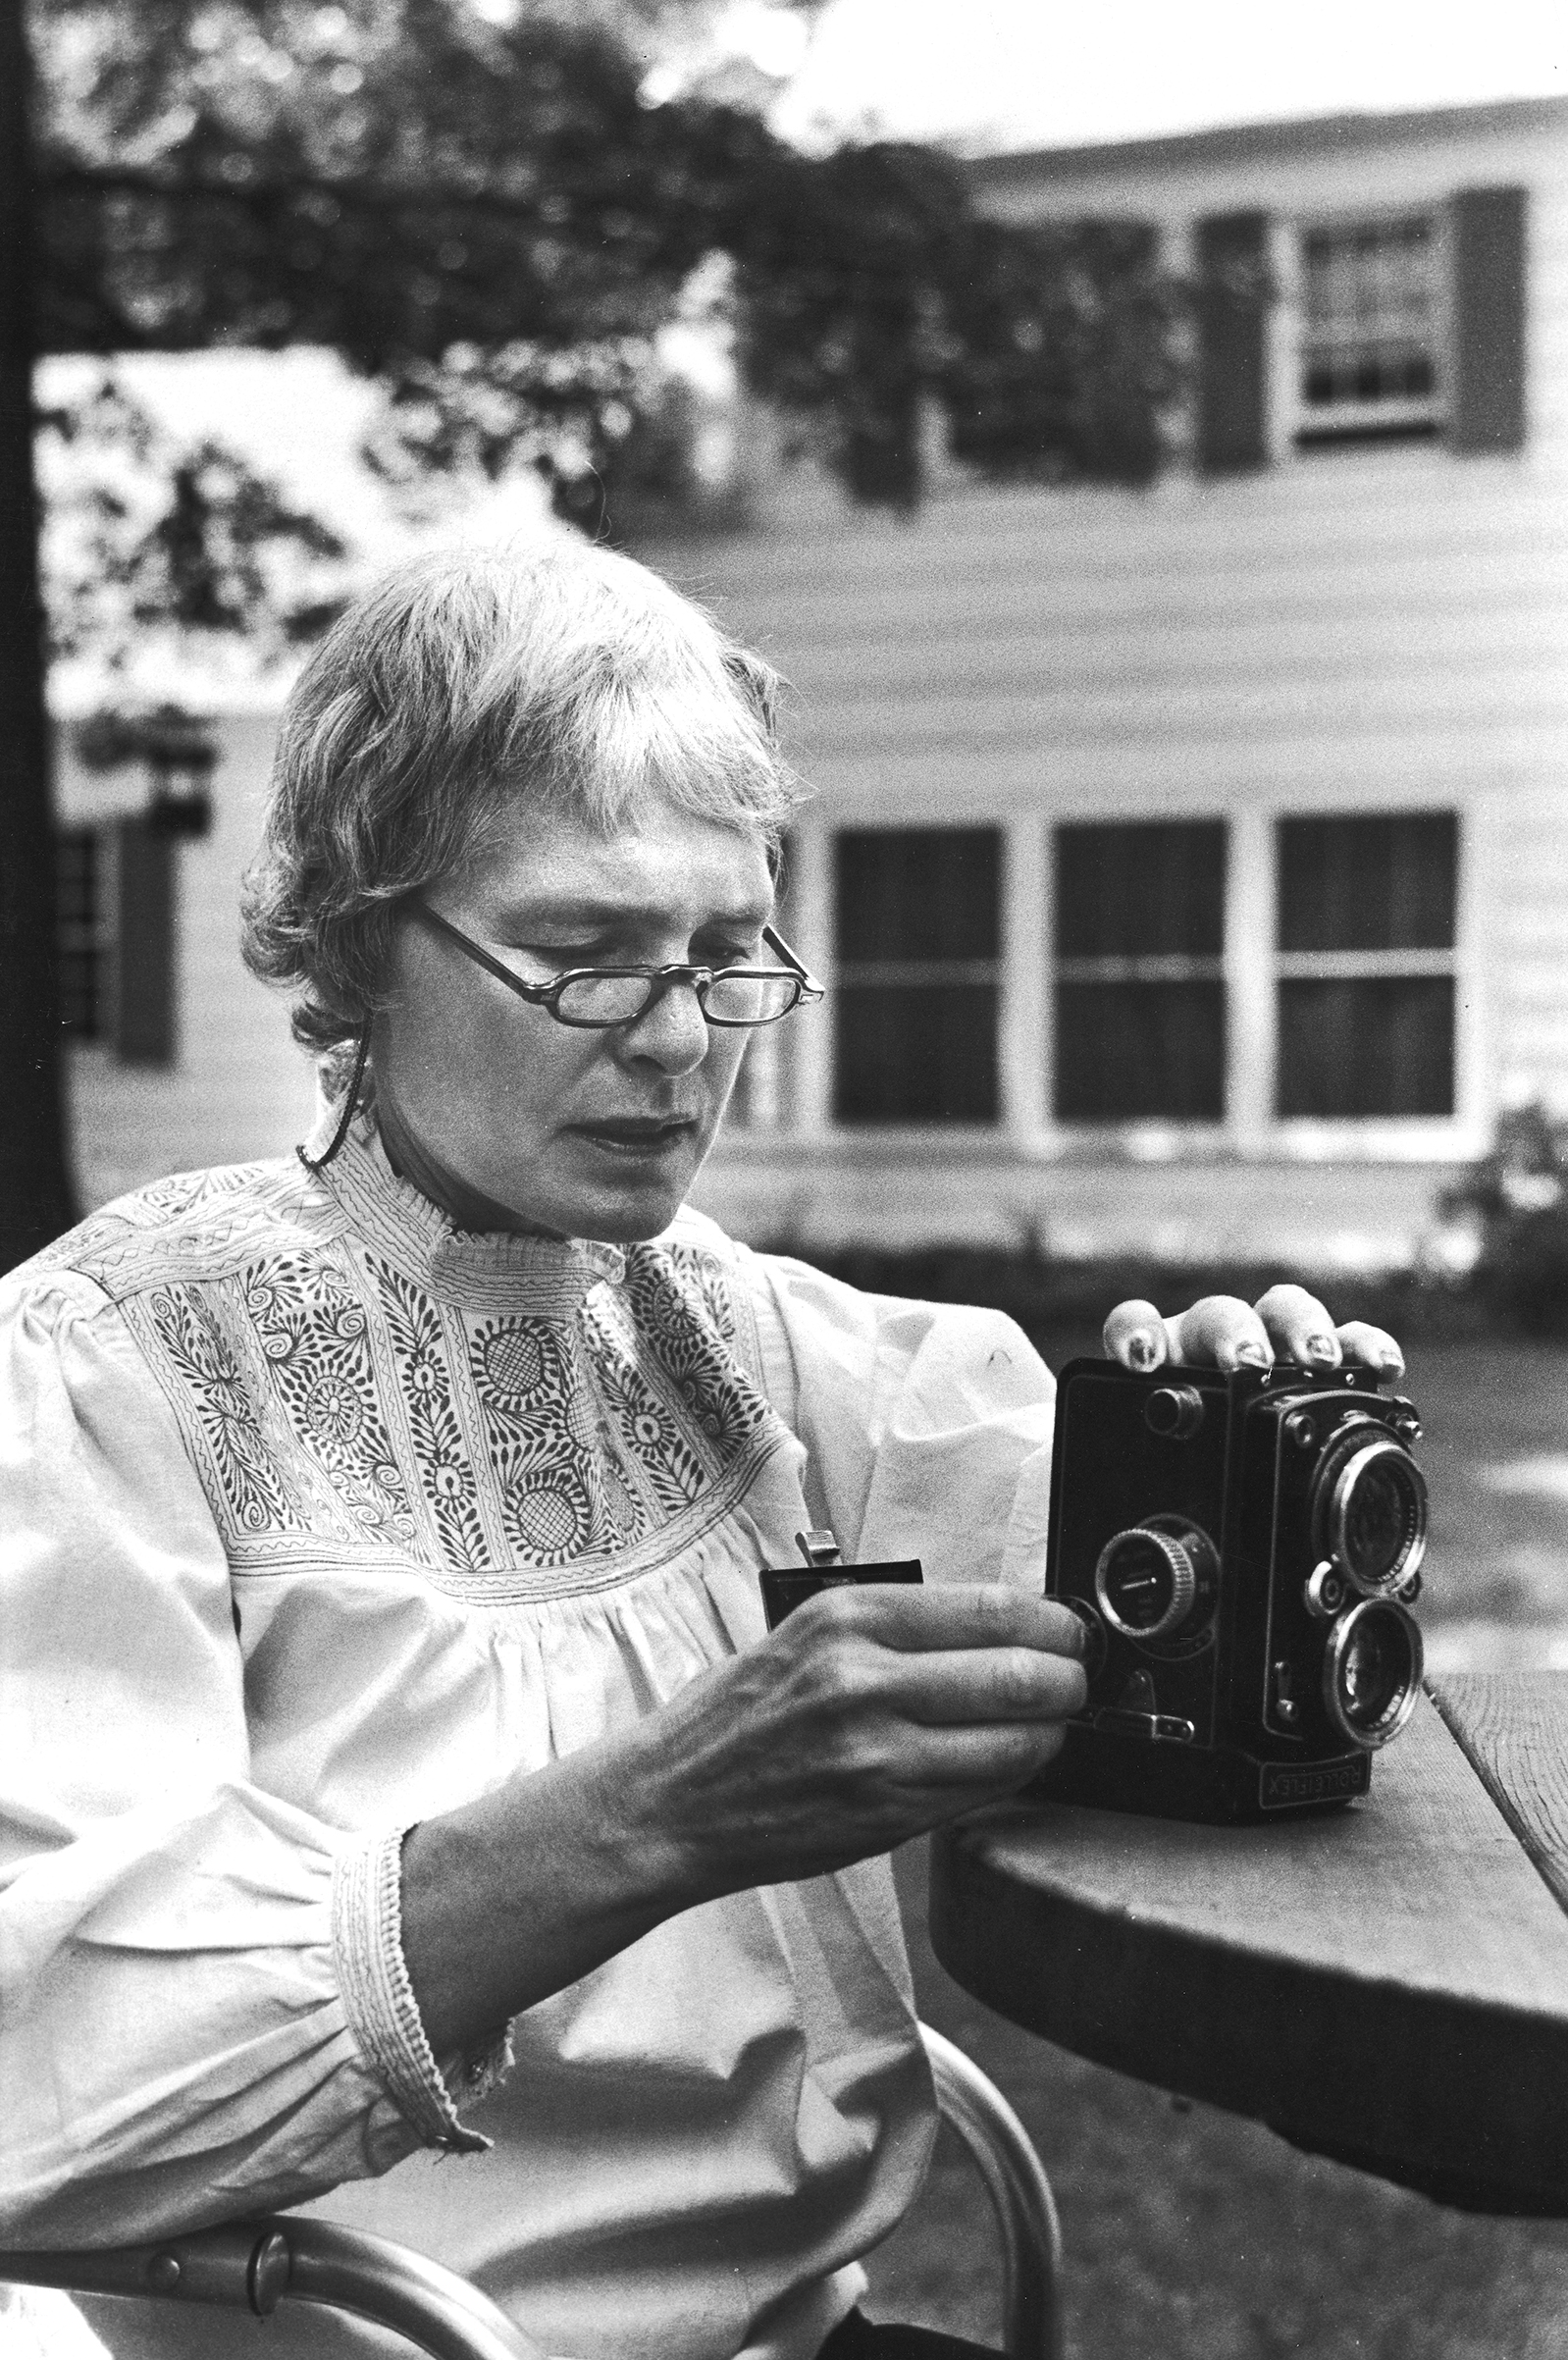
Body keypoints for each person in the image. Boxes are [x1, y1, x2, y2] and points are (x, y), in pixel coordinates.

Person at [0, 542, 1403, 2360]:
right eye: (584, 959)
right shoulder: (118, 1369)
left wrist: (1241, 1458)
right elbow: (45, 2081)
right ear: (359, 938)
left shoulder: (737, 1335)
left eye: (724, 956)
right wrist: (656, 1811)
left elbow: (1130, 1612)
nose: (675, 1044)